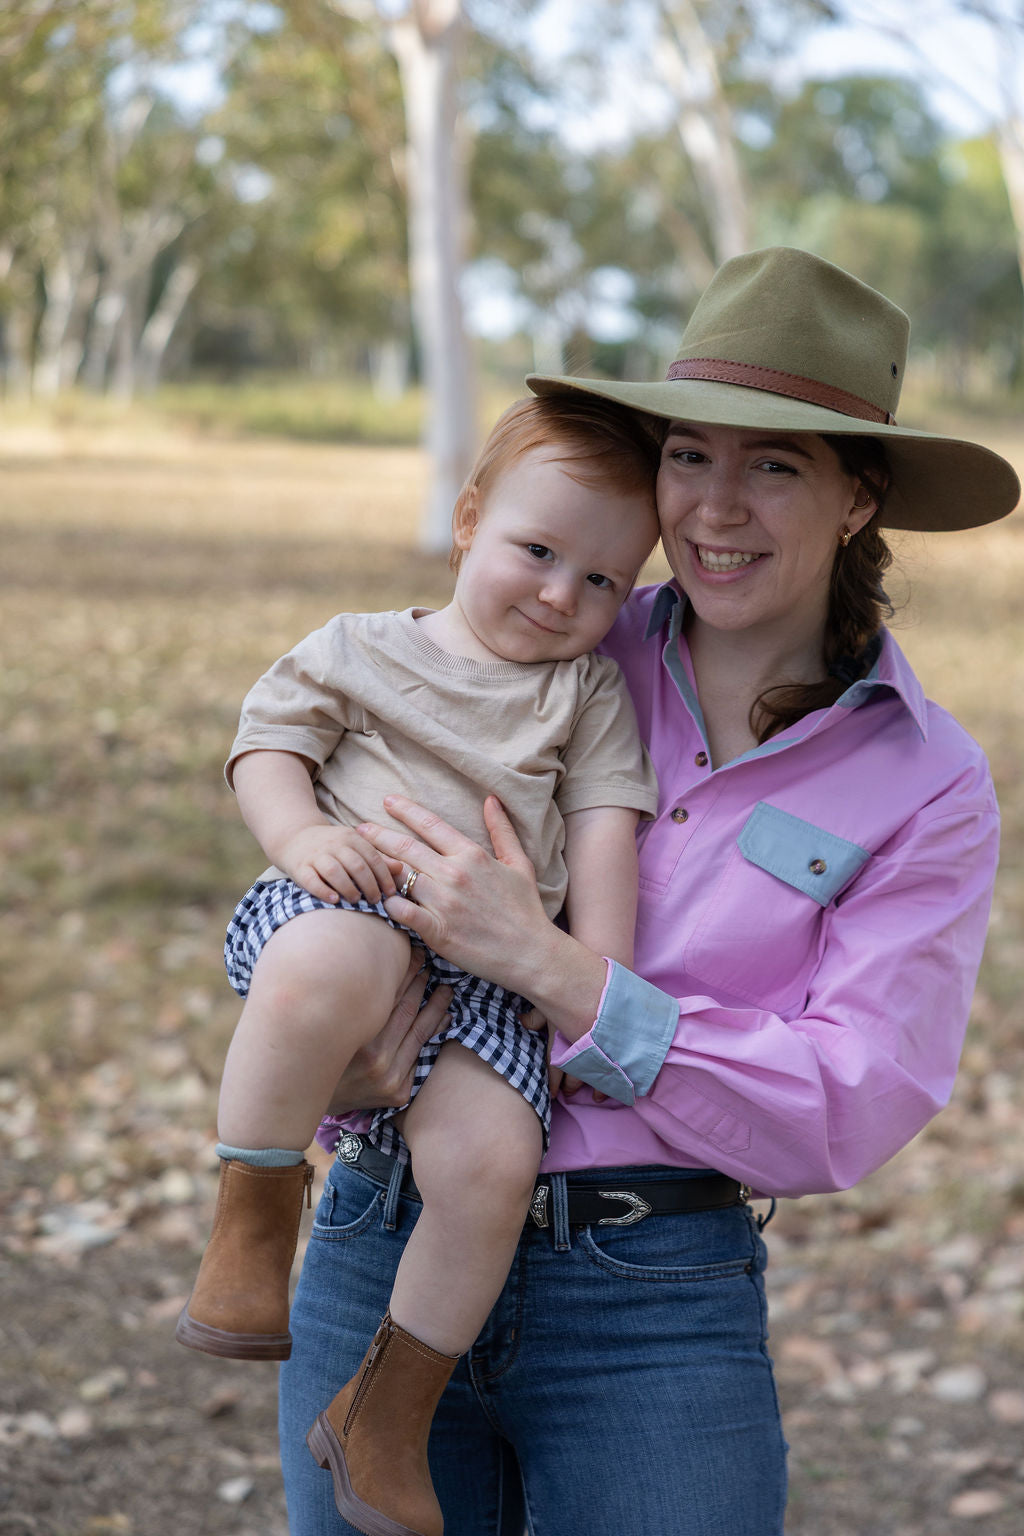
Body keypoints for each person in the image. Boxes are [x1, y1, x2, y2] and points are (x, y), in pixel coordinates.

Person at [275, 246, 1020, 1536]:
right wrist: (334, 1050)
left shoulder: (924, 780)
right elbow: (329, 827)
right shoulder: (559, 619)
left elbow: (846, 1100)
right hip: (386, 1232)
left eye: (773, 465)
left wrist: (557, 972)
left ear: (860, 498)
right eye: (689, 453)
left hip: (652, 1296)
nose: (712, 508)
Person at [175, 394, 662, 1534]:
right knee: (329, 969)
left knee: (494, 1165)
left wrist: (595, 982)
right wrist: (301, 838)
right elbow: (268, 744)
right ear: (468, 523)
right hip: (340, 893)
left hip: (484, 982)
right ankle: (251, 1221)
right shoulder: (360, 645)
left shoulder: (586, 696)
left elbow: (603, 835)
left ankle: (383, 1416)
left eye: (602, 581)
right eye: (536, 552)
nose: (560, 594)